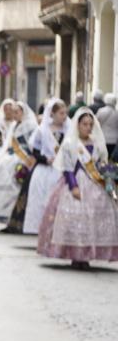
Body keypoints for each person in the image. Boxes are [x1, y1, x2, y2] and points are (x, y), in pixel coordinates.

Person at [37, 108, 118, 268]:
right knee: (75, 216)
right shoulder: (70, 144)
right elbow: (68, 168)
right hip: (75, 182)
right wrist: (73, 187)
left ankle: (88, 255)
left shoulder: (97, 144)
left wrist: (109, 178)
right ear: (77, 125)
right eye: (84, 124)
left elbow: (101, 165)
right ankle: (75, 255)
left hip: (94, 184)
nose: (87, 127)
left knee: (94, 219)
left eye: (90, 124)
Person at [13, 98, 67, 235]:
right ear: (52, 114)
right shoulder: (42, 130)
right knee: (41, 200)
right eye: (61, 113)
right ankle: (39, 228)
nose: (64, 116)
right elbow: (35, 150)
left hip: (61, 170)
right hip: (44, 170)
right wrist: (45, 159)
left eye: (65, 113)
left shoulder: (69, 130)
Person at [0, 101, 37, 223]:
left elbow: (32, 145)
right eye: (13, 112)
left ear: (23, 112)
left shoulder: (31, 126)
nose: (14, 115)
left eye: (17, 112)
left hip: (24, 158)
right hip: (11, 156)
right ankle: (2, 211)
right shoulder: (14, 125)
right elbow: (8, 143)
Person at [98, 93, 118, 160]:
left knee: (104, 158)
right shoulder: (116, 113)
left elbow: (97, 123)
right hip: (114, 139)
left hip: (103, 138)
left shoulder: (101, 111)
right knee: (111, 158)